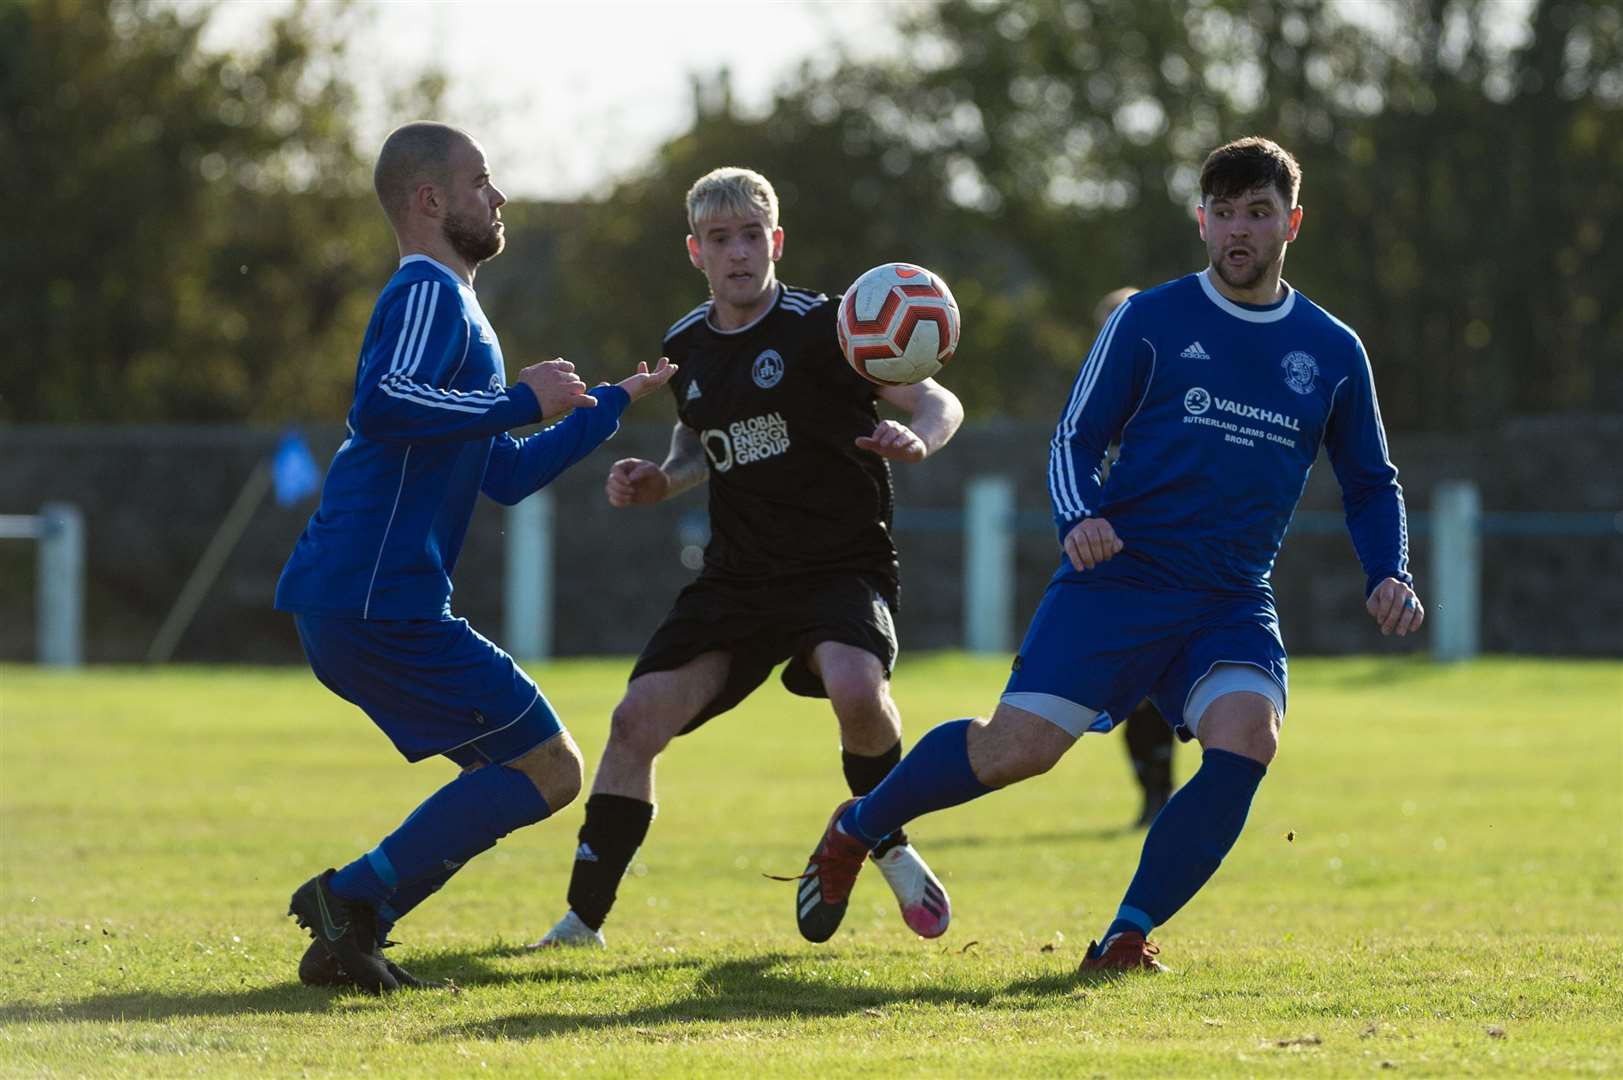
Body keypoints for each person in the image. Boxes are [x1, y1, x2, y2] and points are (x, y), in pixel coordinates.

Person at [790, 136, 1424, 971]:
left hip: (1230, 596)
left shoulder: (1332, 350)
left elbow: (1370, 480)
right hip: (1117, 579)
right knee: (1015, 751)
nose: (1239, 230)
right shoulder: (1149, 320)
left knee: (1249, 737)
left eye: (1258, 213)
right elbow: (1074, 438)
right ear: (1200, 220)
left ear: (1291, 223)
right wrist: (1078, 516)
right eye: (1223, 212)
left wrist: (1389, 570)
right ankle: (857, 827)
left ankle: (1124, 936)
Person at [275, 121, 675, 993]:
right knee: (548, 766)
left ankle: (353, 930)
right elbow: (382, 405)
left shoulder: (459, 309)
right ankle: (351, 899)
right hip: (374, 598)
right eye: (481, 181)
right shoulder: (428, 291)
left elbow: (500, 473)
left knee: (529, 768)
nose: (498, 197)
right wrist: (520, 400)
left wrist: (603, 408)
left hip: (371, 599)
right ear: (430, 200)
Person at [531, 166, 965, 948]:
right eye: (720, 239)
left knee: (856, 688)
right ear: (695, 252)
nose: (738, 253)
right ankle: (579, 923)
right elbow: (695, 440)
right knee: (634, 722)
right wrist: (661, 479)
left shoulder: (828, 326)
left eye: (752, 235)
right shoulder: (685, 345)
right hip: (736, 579)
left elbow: (936, 397)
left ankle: (885, 842)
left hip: (838, 565)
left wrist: (917, 437)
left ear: (777, 241)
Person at [1093, 287, 1178, 828]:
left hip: (1170, 565)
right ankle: (1153, 791)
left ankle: (1161, 795)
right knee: (1124, 694)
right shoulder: (1096, 399)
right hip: (1111, 571)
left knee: (1162, 688)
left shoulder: (1170, 393)